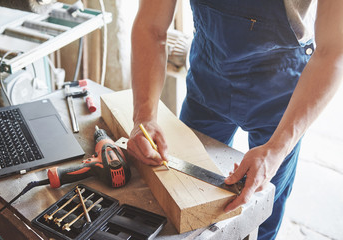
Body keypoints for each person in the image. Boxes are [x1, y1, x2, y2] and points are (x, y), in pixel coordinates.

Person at [127, 0, 343, 239]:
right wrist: (144, 117)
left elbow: (333, 52)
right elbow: (152, 27)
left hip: (280, 96)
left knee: (260, 212)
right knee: (180, 194)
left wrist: (276, 149)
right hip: (208, 80)